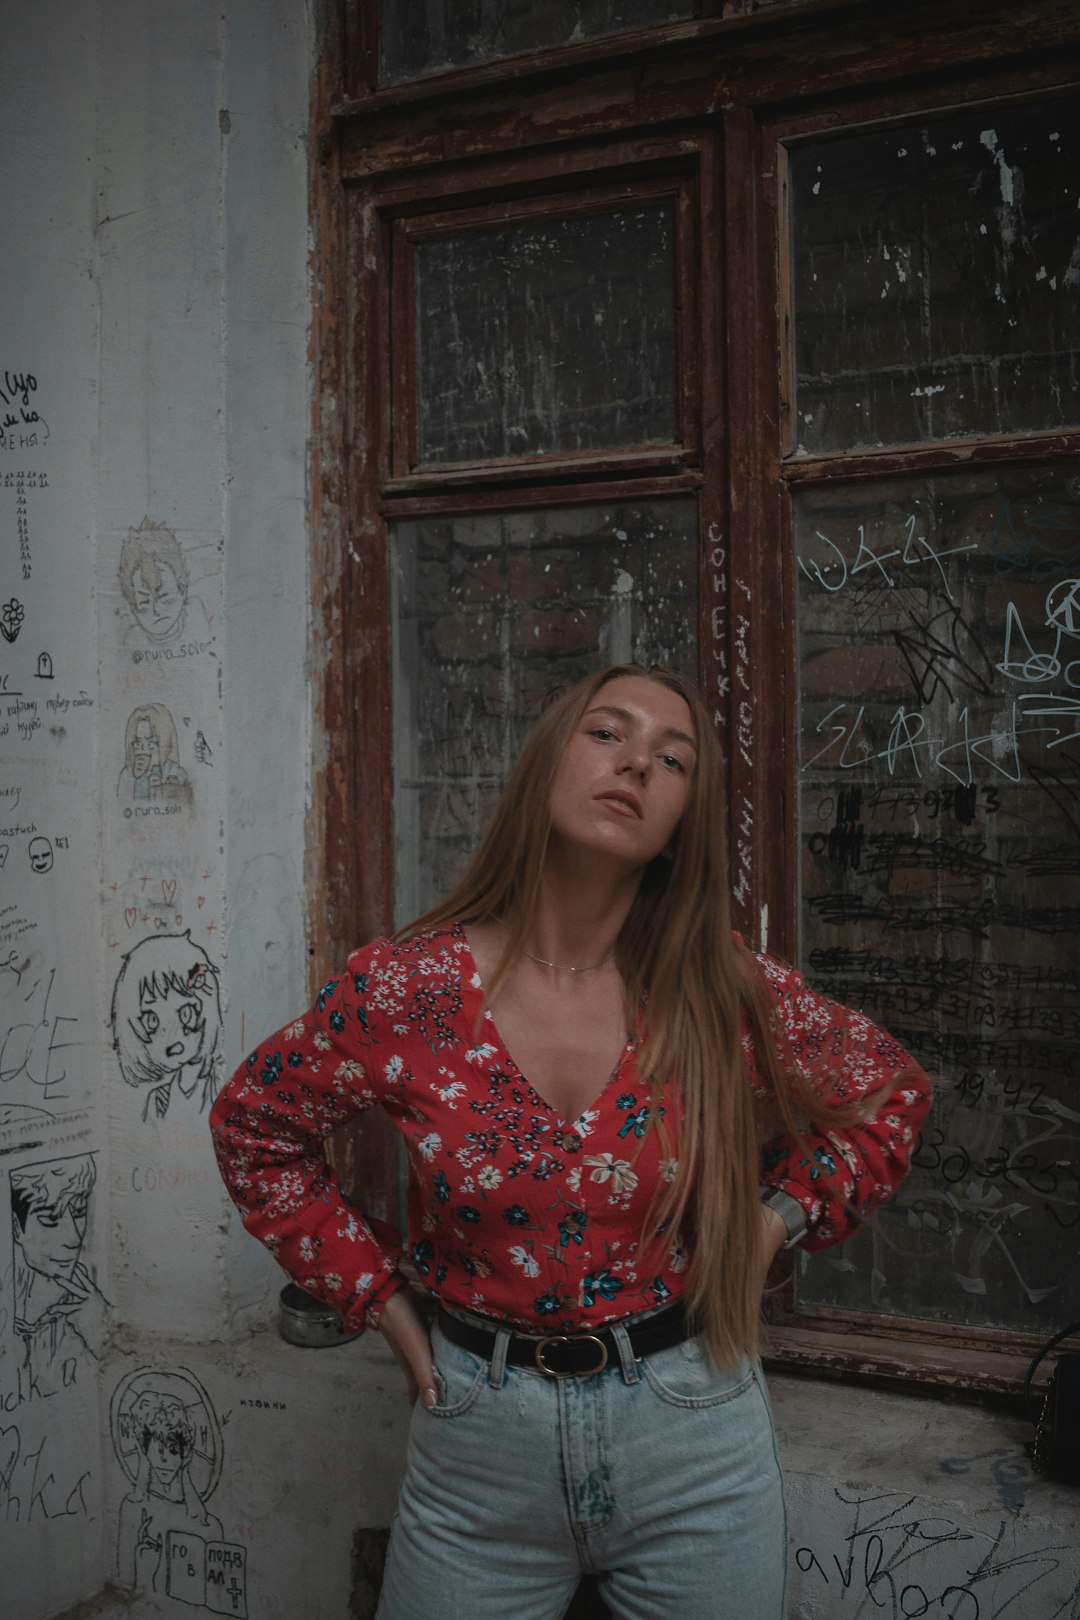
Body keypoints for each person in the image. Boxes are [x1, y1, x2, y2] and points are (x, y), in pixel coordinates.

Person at [209, 664, 931, 1620]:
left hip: (694, 1434)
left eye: (671, 760)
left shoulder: (720, 988)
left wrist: (771, 1225)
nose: (636, 761)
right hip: (476, 1444)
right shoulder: (405, 990)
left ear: (682, 820)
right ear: (547, 758)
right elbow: (255, 1128)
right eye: (607, 733)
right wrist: (377, 1300)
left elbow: (893, 1096)